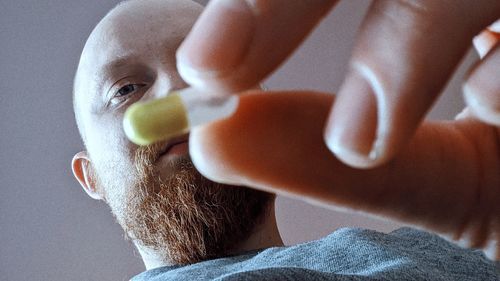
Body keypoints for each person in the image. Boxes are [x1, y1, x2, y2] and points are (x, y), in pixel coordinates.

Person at [70, 0, 499, 280]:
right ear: (90, 176)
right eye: (124, 90)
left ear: (260, 101)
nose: (178, 91)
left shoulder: (469, 240)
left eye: (206, 74)